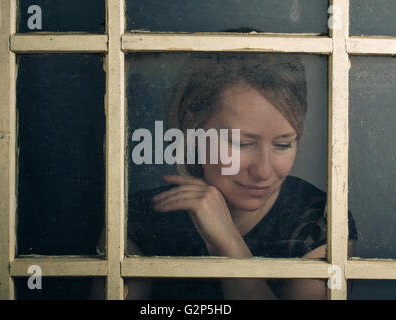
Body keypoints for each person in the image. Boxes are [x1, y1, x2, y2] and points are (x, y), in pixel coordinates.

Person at [125, 53, 358, 300]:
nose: (264, 172)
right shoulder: (139, 216)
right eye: (241, 143)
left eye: (282, 145)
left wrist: (229, 247)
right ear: (192, 127)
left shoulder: (320, 222)